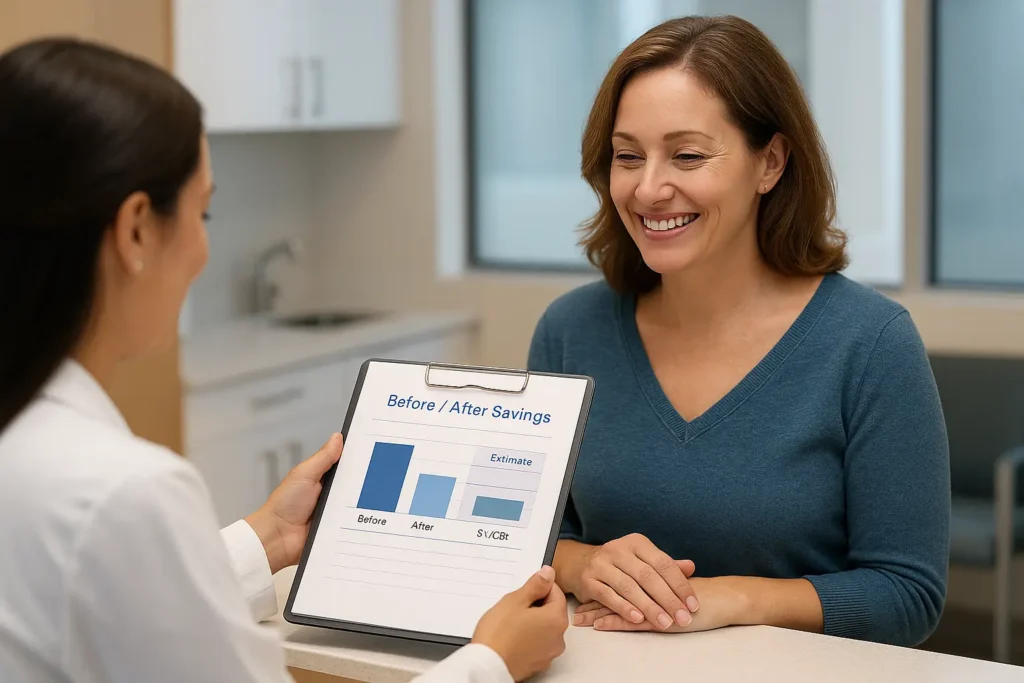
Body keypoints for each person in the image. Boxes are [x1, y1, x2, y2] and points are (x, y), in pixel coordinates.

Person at [0, 38, 566, 683]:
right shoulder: (123, 494)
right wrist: (492, 660)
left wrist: (267, 536)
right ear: (135, 230)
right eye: (202, 211)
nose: (203, 250)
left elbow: (103, 605)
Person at [529, 15, 950, 647]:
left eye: (688, 155)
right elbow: (516, 535)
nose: (648, 188)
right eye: (628, 157)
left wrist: (728, 598)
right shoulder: (569, 331)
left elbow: (907, 595)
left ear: (770, 163)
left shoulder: (871, 343)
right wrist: (580, 564)